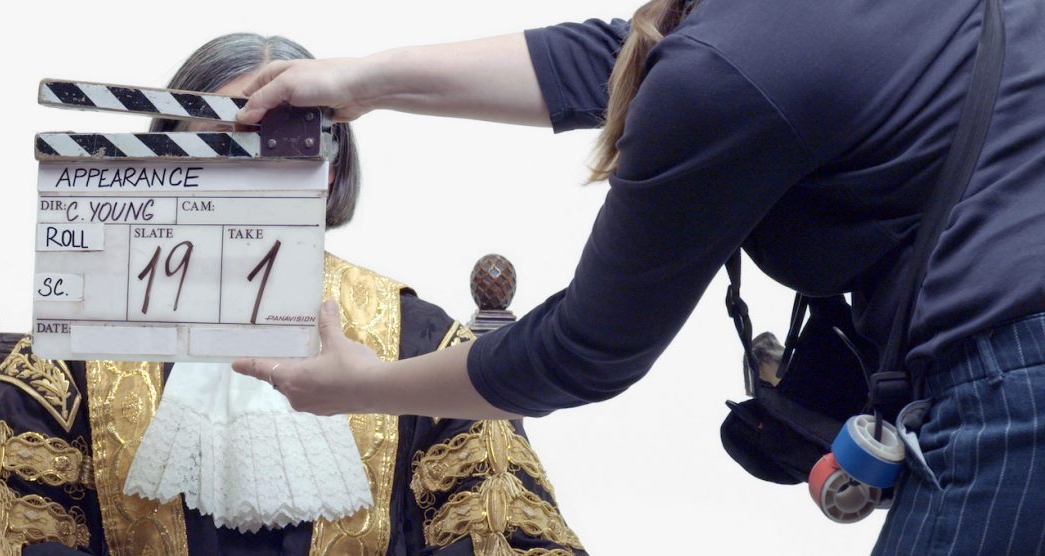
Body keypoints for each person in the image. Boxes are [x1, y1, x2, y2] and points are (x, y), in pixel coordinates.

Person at [229, 1, 1045, 554]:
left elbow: (582, 352)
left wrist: (366, 386)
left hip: (1015, 401)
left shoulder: (726, 71)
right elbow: (622, 61)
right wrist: (360, 80)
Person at [0, 33, 586, 556]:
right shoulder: (73, 352)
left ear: (329, 171)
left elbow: (500, 531)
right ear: (162, 167)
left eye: (273, 151)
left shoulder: (419, 345)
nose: (242, 180)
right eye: (214, 151)